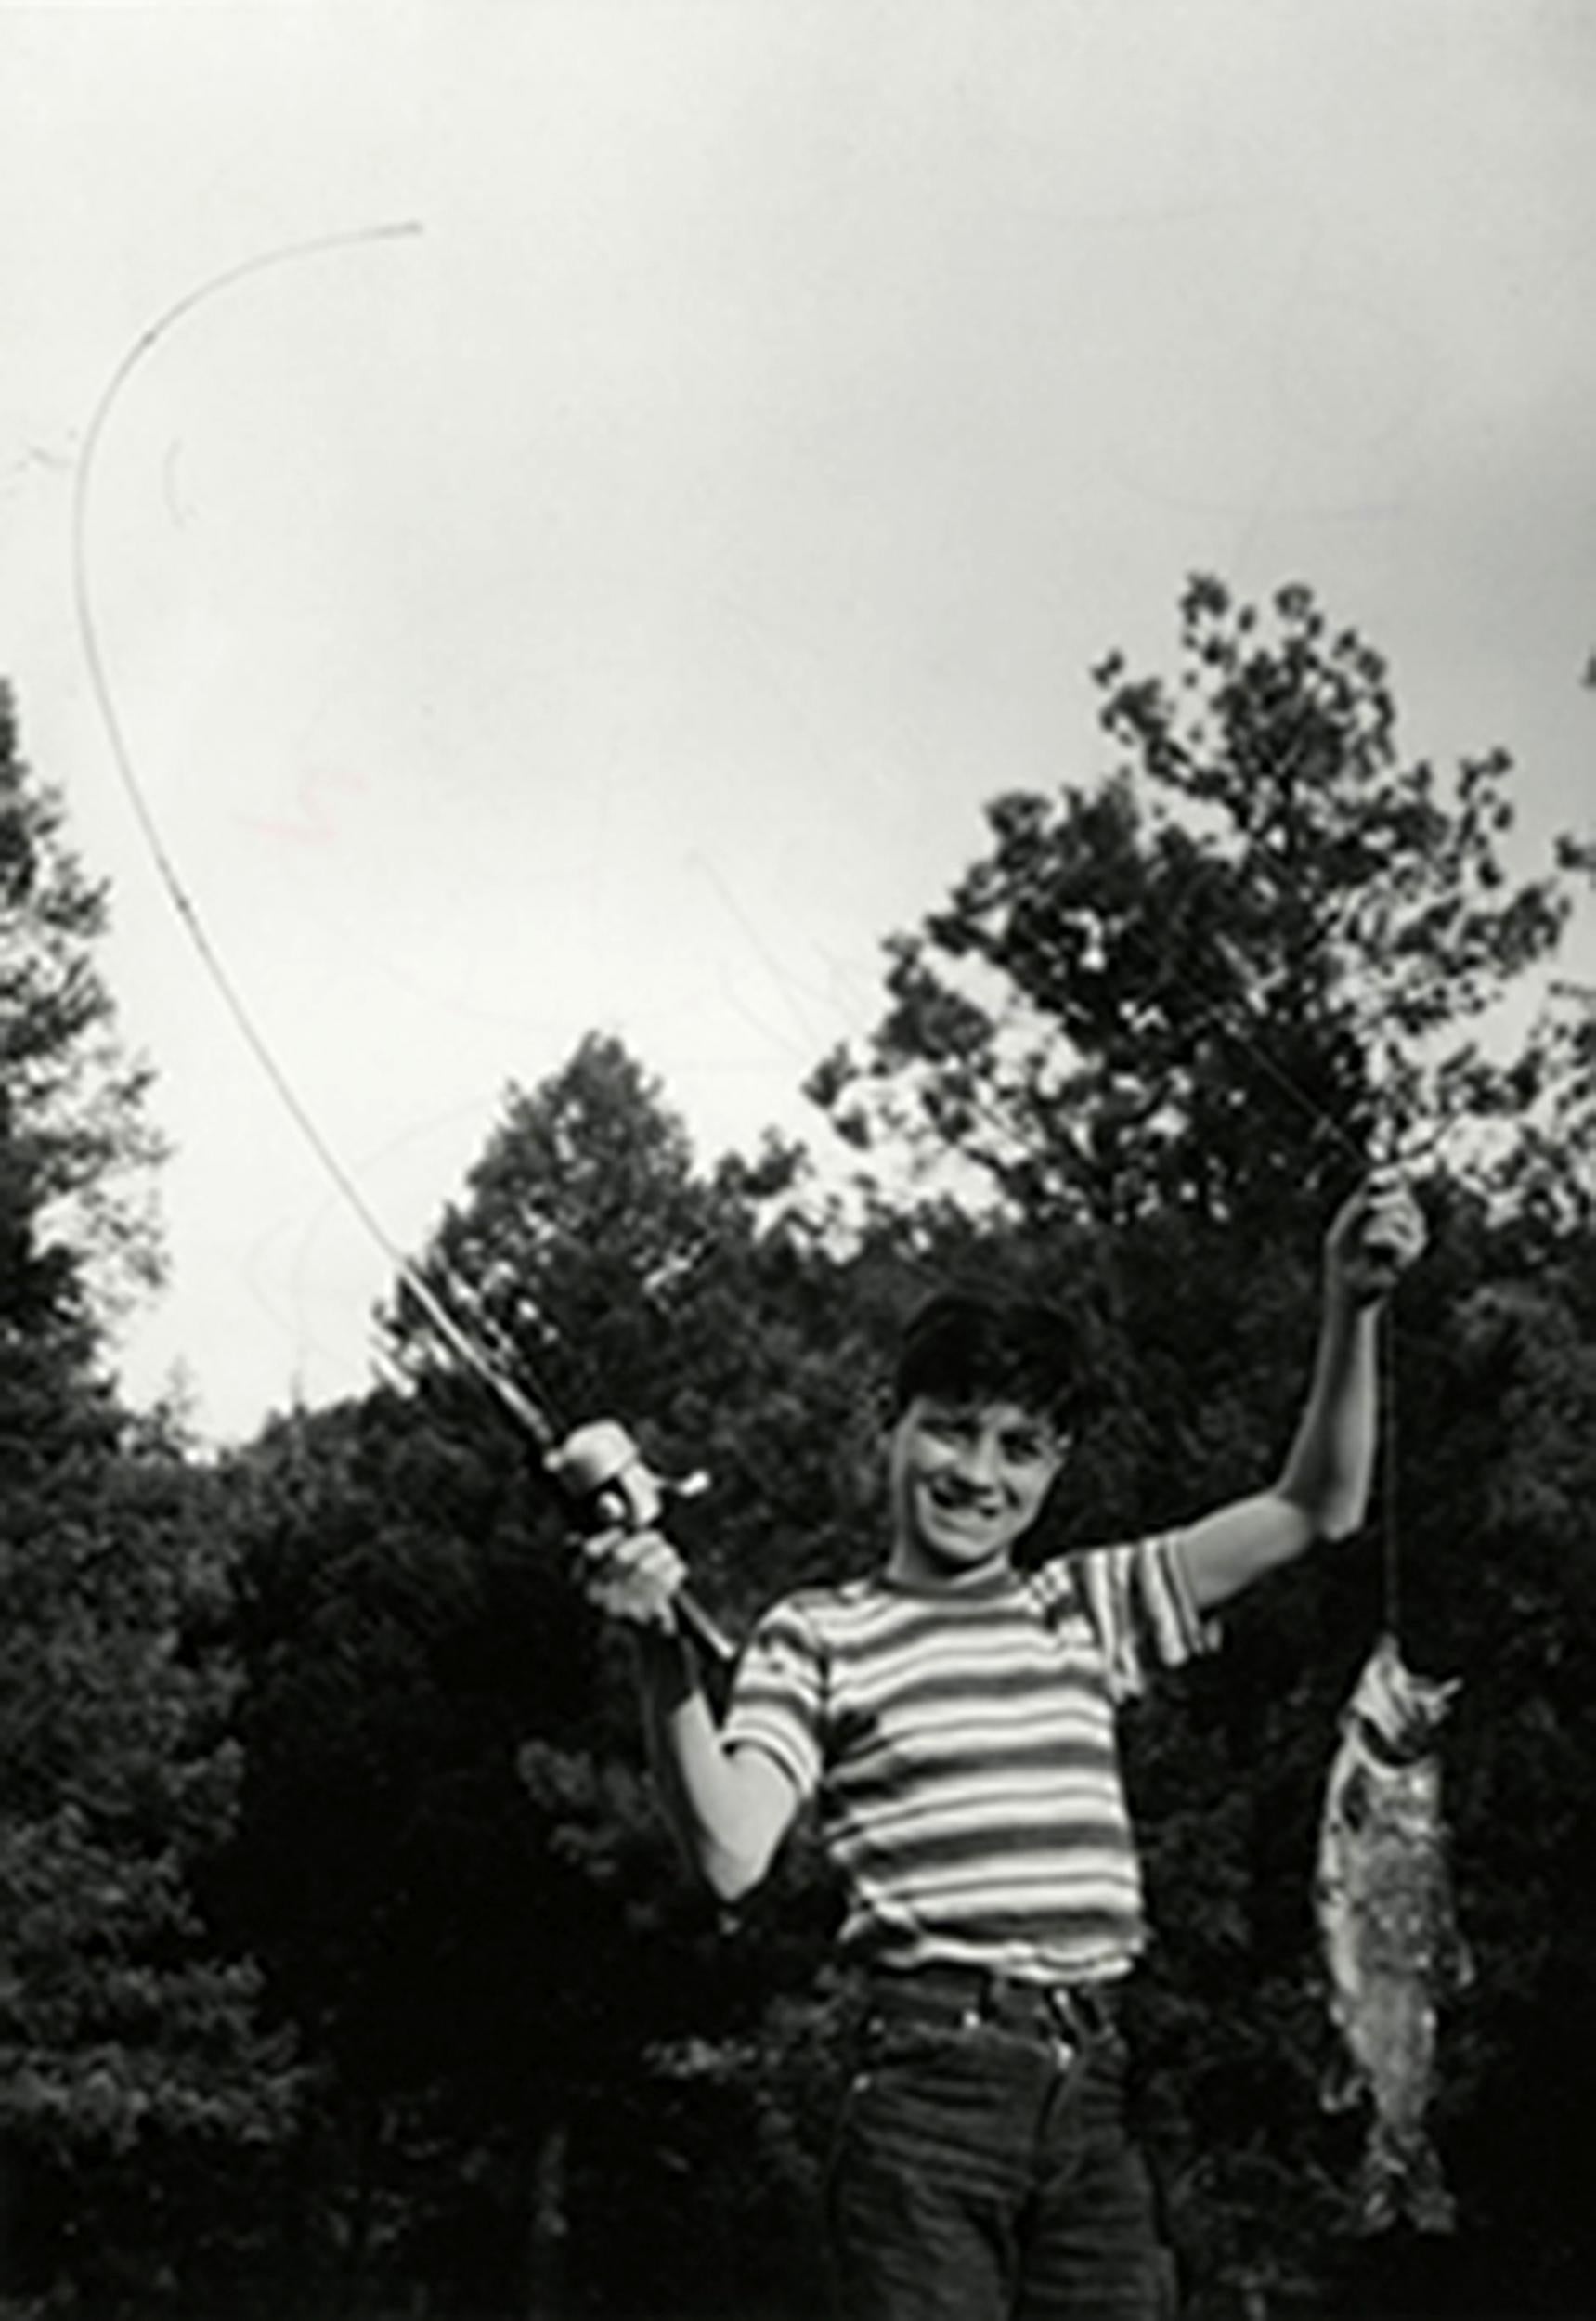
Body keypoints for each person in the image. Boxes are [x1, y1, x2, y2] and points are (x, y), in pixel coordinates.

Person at [577, 1170, 1426, 2320]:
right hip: (927, 2101)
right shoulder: (819, 1631)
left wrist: (1353, 1303)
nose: (979, 1473)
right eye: (950, 1430)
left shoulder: (1086, 1604)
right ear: (891, 1425)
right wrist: (662, 1658)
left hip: (1095, 2098)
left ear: (1056, 1467)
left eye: (1021, 1446)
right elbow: (730, 1851)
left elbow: (1318, 1505)